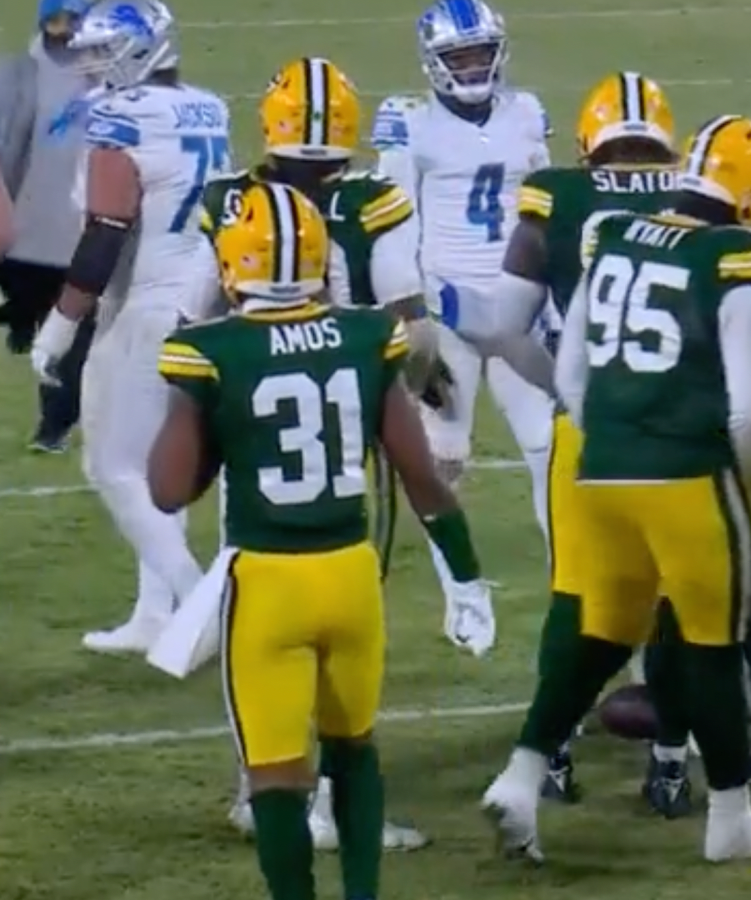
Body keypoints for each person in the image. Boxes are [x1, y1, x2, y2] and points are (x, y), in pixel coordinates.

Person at [146, 180, 484, 900]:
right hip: (351, 579)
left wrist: (203, 418)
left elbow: (169, 490)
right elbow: (421, 474)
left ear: (233, 260)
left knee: (273, 774)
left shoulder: (206, 350)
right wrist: (466, 575)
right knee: (354, 749)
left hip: (268, 584)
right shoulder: (366, 335)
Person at [482, 114, 751, 864]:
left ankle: (522, 774)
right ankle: (731, 821)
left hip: (601, 467)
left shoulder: (617, 235)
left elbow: (569, 373)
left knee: (603, 631)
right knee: (713, 646)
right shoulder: (741, 259)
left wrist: (612, 440)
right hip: (689, 475)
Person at [187, 56, 442, 854]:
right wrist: (405, 390)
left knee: (254, 604)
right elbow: (412, 319)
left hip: (253, 424)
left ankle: (256, 784)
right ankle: (327, 800)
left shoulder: (233, 198)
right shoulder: (369, 202)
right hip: (345, 422)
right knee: (345, 622)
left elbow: (193, 313)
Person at [450, 71, 694, 813]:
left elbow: (499, 329)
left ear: (589, 141)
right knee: (678, 596)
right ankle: (671, 760)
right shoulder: (700, 195)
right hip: (683, 434)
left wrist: (566, 389)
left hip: (590, 434)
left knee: (576, 595)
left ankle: (550, 751)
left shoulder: (555, 196)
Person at [30, 0, 221, 655]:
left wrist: (59, 325)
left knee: (112, 466)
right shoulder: (206, 105)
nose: (90, 63)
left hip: (148, 304)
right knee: (159, 457)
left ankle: (201, 608)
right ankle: (153, 611)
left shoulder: (119, 116)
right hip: (200, 294)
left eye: (104, 50)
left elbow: (107, 232)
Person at [372, 0, 554, 655]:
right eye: (460, 57)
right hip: (445, 312)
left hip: (515, 306)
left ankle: (572, 581)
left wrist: (552, 295)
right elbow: (393, 221)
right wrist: (407, 305)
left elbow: (544, 208)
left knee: (547, 447)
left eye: (480, 53)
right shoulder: (407, 122)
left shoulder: (527, 112)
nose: (473, 65)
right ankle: (464, 593)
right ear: (435, 63)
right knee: (441, 459)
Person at [0, 0, 96, 453]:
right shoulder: (18, 75)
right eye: (59, 22)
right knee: (40, 328)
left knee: (70, 340)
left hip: (82, 240)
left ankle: (54, 426)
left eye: (74, 22)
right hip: (25, 239)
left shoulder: (114, 81)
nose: (67, 32)